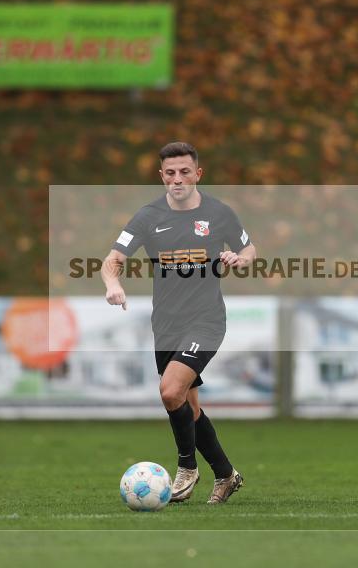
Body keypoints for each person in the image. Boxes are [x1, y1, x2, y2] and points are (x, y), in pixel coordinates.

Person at [101, 141, 256, 504]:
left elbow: (249, 249)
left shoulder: (219, 213)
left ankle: (187, 465)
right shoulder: (147, 217)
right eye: (170, 173)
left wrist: (240, 258)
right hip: (166, 324)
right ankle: (226, 474)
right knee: (189, 406)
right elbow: (113, 258)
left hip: (206, 320)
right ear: (161, 177)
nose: (177, 178)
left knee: (171, 391)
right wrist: (112, 283)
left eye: (185, 171)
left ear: (198, 173)